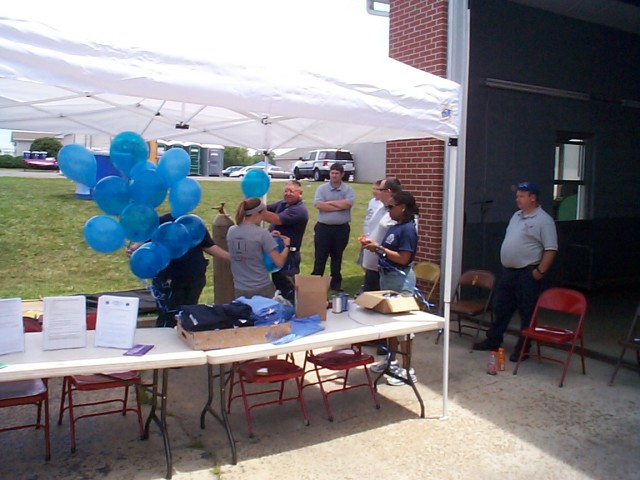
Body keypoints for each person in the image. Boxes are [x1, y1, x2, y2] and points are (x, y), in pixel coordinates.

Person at [473, 181, 558, 362]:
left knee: (526, 311)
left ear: (532, 198)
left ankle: (524, 347)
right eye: (517, 195)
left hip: (527, 274)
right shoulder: (516, 216)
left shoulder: (544, 220)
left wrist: (540, 272)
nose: (517, 199)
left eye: (521, 196)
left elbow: (551, 249)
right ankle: (493, 340)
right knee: (501, 307)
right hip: (508, 272)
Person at [128, 213, 231, 328]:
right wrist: (134, 249)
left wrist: (232, 258)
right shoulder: (162, 222)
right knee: (168, 316)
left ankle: (184, 337)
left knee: (188, 314)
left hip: (194, 277)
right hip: (169, 280)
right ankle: (164, 342)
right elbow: (147, 242)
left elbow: (207, 245)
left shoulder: (193, 222)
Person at [362, 190, 420, 385]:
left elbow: (403, 258)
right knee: (390, 325)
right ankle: (391, 361)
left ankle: (407, 369)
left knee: (404, 328)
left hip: (400, 281)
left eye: (391, 207)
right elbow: (388, 251)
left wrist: (378, 249)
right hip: (387, 278)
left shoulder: (409, 230)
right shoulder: (395, 227)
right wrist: (374, 246)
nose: (388, 211)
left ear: (402, 207)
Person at [227, 197, 291, 299]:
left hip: (239, 287)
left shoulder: (231, 231)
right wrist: (287, 246)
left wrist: (268, 236)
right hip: (261, 287)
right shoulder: (262, 234)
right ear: (258, 213)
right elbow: (279, 262)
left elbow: (248, 243)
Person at [262, 180, 309, 304]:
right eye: (286, 190)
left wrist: (254, 212)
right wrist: (253, 203)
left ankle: (295, 311)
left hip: (289, 256)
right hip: (276, 253)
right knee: (278, 283)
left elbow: (276, 219)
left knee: (288, 287)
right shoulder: (282, 204)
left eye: (291, 191)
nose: (288, 193)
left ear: (300, 193)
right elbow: (266, 208)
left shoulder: (299, 210)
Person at [311, 163, 355, 292]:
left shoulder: (348, 189)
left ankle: (336, 283)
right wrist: (338, 205)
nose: (334, 175)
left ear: (342, 174)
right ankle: (315, 283)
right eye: (332, 173)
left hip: (341, 229)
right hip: (323, 229)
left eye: (337, 173)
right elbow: (319, 205)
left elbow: (348, 204)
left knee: (337, 257)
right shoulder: (321, 188)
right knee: (320, 257)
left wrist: (329, 203)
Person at [359, 177, 402, 292]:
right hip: (372, 265)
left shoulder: (396, 212)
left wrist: (377, 248)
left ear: (388, 192)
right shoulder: (379, 207)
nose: (376, 191)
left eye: (380, 189)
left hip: (385, 268)